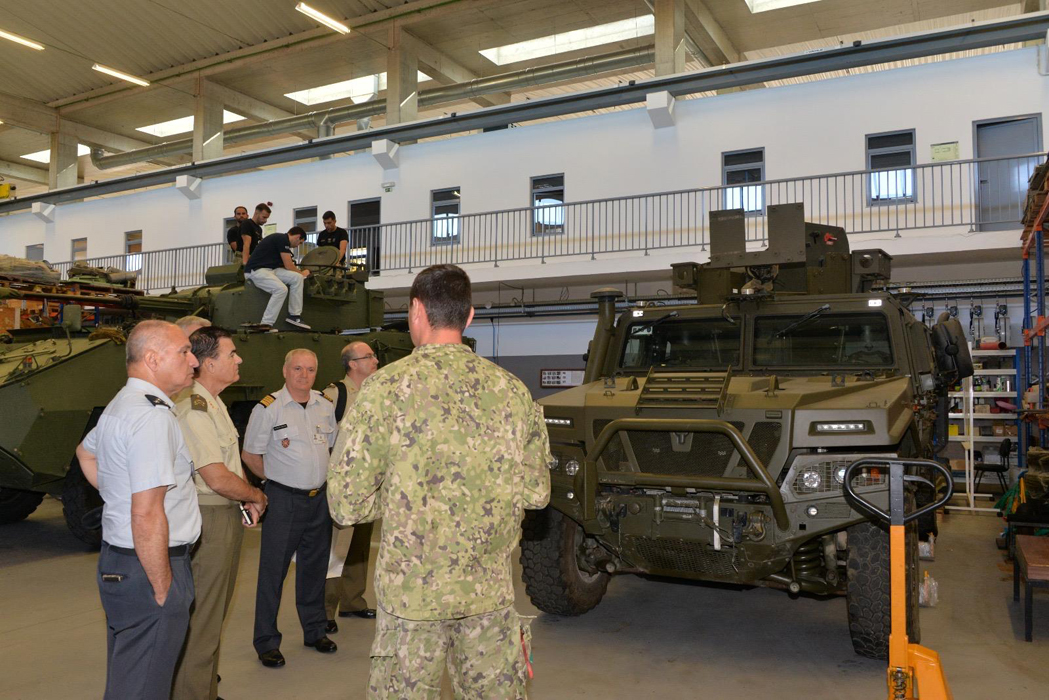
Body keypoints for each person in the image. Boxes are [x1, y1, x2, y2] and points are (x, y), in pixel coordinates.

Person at [327, 264, 551, 699]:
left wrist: (400, 500)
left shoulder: (384, 389)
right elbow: (537, 494)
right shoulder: (511, 390)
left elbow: (347, 504)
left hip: (413, 601)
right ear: (469, 317)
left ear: (415, 311)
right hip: (488, 595)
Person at [73, 320, 202, 700]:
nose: (193, 360)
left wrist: (118, 495)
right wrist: (163, 587)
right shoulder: (150, 416)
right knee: (144, 688)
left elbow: (86, 451)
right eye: (183, 351)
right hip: (150, 566)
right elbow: (146, 513)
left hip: (120, 561)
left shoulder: (123, 404)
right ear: (152, 359)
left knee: (131, 679)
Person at [171, 326, 268, 700]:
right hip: (209, 517)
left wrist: (243, 495)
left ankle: (205, 689)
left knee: (215, 612)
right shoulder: (194, 408)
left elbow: (230, 462)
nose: (239, 359)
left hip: (223, 512)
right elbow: (215, 476)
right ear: (208, 363)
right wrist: (255, 494)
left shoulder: (213, 402)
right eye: (231, 354)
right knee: (205, 620)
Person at [242, 348, 338, 668]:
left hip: (319, 500)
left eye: (310, 370)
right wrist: (277, 481)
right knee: (273, 572)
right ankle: (266, 640)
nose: (303, 375)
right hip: (283, 500)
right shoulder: (268, 408)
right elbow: (251, 455)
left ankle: (314, 630)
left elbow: (332, 448)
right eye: (297, 368)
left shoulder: (324, 406)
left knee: (314, 569)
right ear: (285, 370)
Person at [320, 341, 379, 633]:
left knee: (360, 546)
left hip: (368, 485)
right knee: (337, 548)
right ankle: (326, 610)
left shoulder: (376, 394)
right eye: (369, 357)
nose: (375, 360)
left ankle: (353, 601)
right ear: (353, 364)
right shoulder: (335, 395)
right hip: (343, 485)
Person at [244, 226, 311, 330]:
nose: (298, 245)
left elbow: (286, 265)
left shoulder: (280, 241)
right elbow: (288, 265)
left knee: (297, 278)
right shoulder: (282, 239)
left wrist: (300, 275)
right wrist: (303, 273)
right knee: (281, 289)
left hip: (270, 269)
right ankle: (266, 323)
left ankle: (294, 316)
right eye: (300, 242)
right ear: (298, 237)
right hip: (256, 270)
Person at [230, 202, 271, 267]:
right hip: (242, 258)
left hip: (252, 257)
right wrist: (245, 263)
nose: (265, 220)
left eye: (266, 218)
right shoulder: (247, 223)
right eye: (264, 217)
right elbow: (246, 244)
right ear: (257, 213)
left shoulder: (259, 229)